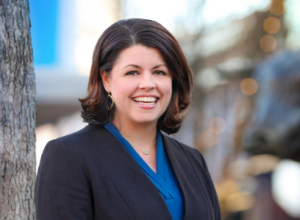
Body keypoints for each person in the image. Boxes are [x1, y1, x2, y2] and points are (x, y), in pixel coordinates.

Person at [35, 18, 221, 220]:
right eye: (132, 72)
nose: (148, 84)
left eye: (159, 72)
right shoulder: (68, 157)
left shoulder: (193, 160)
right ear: (106, 79)